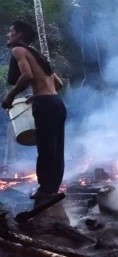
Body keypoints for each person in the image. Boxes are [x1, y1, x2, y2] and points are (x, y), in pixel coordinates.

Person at [2, 20, 66, 199]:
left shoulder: (18, 50)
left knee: (45, 149)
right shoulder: (38, 56)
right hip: (56, 103)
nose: (8, 35)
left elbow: (27, 75)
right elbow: (59, 83)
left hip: (45, 105)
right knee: (56, 149)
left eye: (11, 31)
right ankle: (52, 189)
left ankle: (45, 191)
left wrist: (10, 96)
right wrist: (37, 94)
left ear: (20, 34)